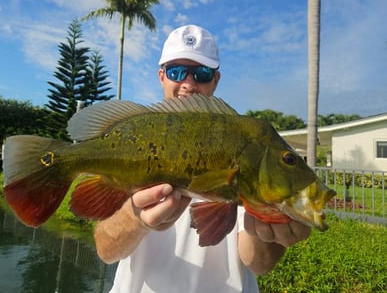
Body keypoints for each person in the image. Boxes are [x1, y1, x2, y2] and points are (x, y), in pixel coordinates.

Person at [94, 24, 311, 293]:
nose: (188, 83)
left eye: (202, 73)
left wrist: (269, 232)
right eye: (176, 71)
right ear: (161, 76)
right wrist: (134, 217)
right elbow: (105, 250)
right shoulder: (133, 141)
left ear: (216, 80)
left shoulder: (245, 147)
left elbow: (256, 262)